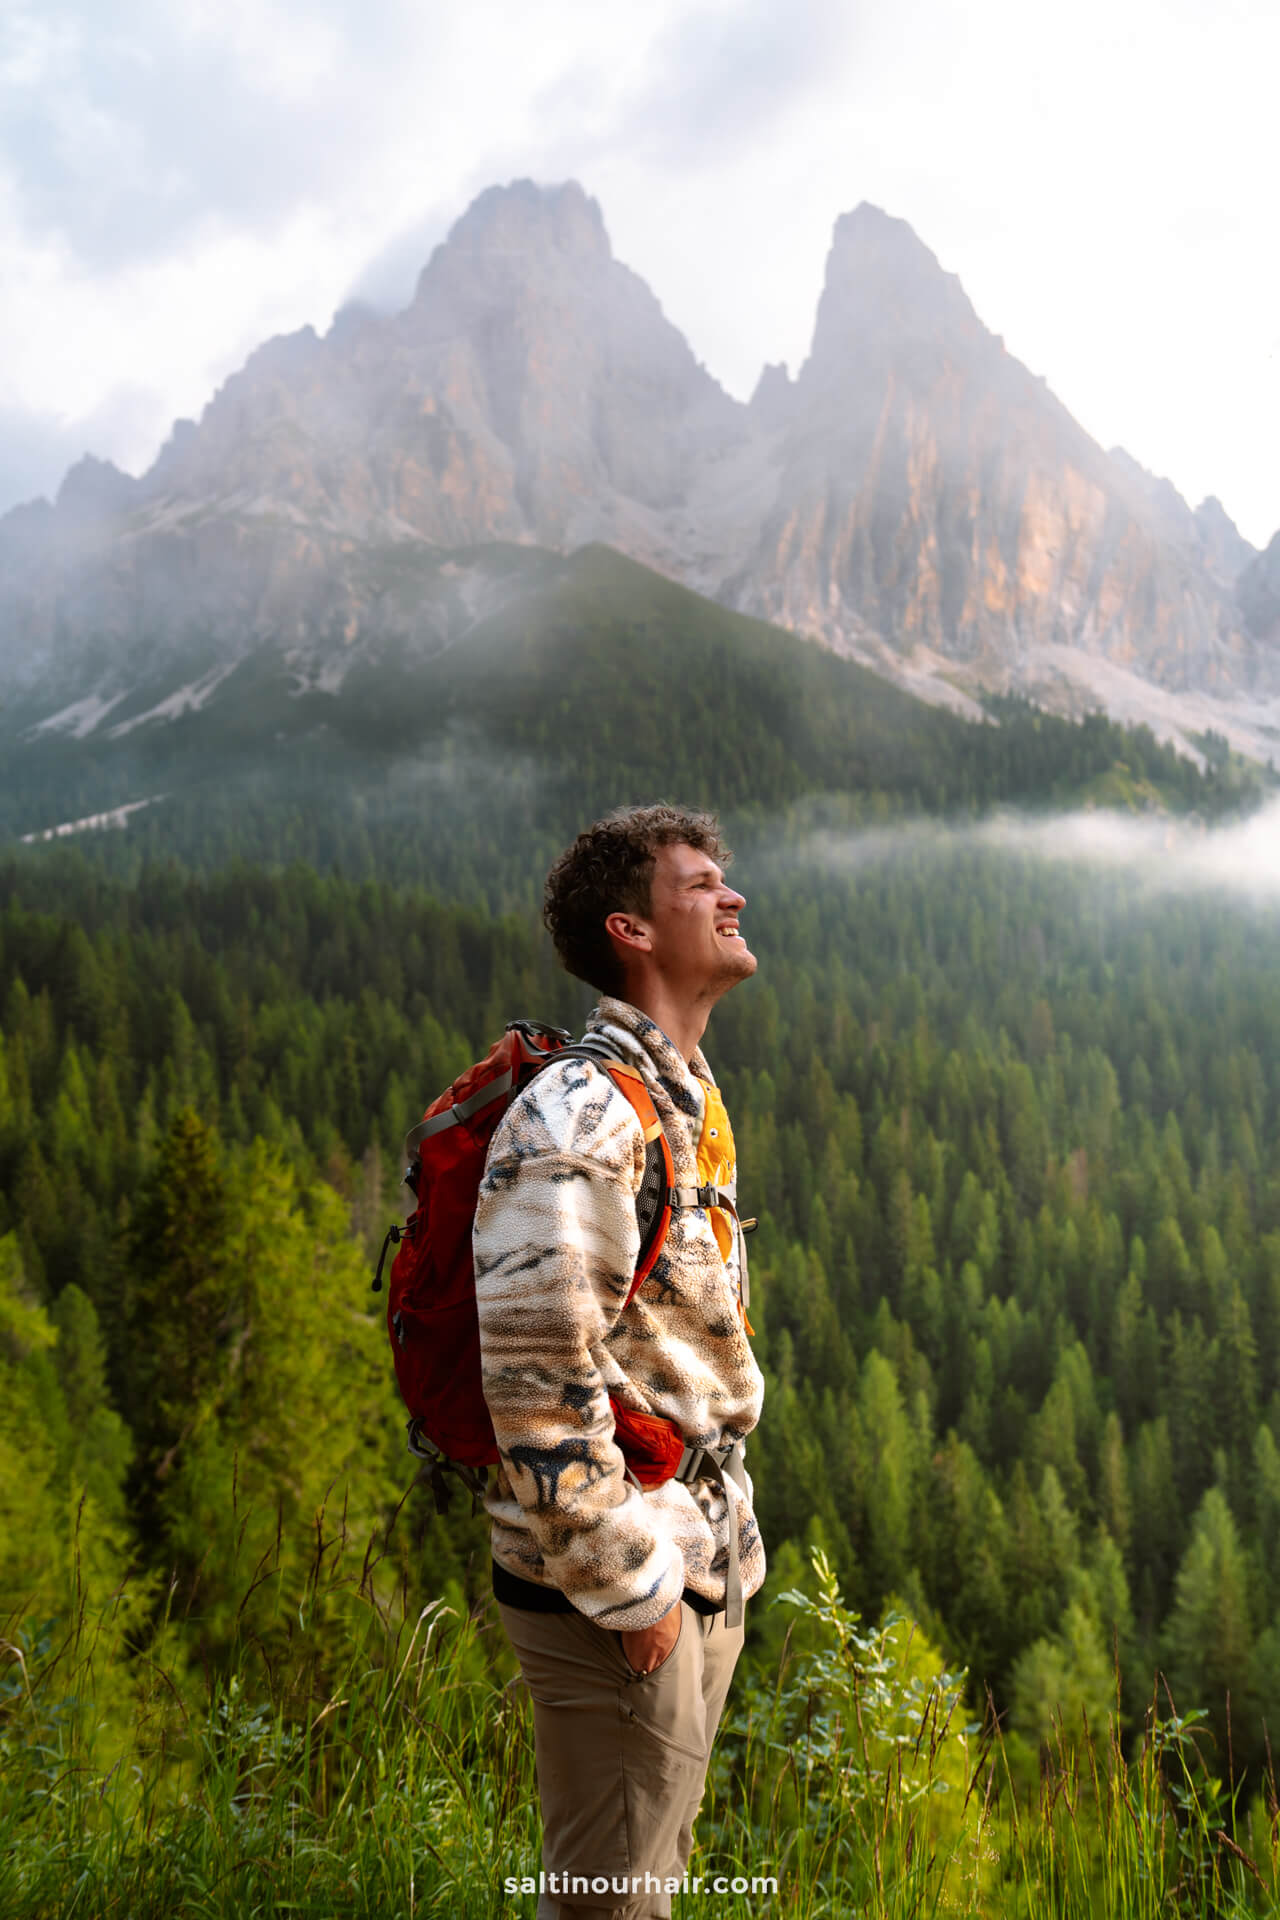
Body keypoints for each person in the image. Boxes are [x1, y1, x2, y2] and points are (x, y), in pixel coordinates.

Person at [474, 803, 766, 1920]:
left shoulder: (677, 1098)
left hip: (691, 1556)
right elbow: (533, 1375)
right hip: (618, 1583)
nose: (731, 895)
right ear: (629, 931)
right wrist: (629, 1590)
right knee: (610, 1904)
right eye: (699, 884)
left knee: (651, 1881)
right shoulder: (582, 1112)